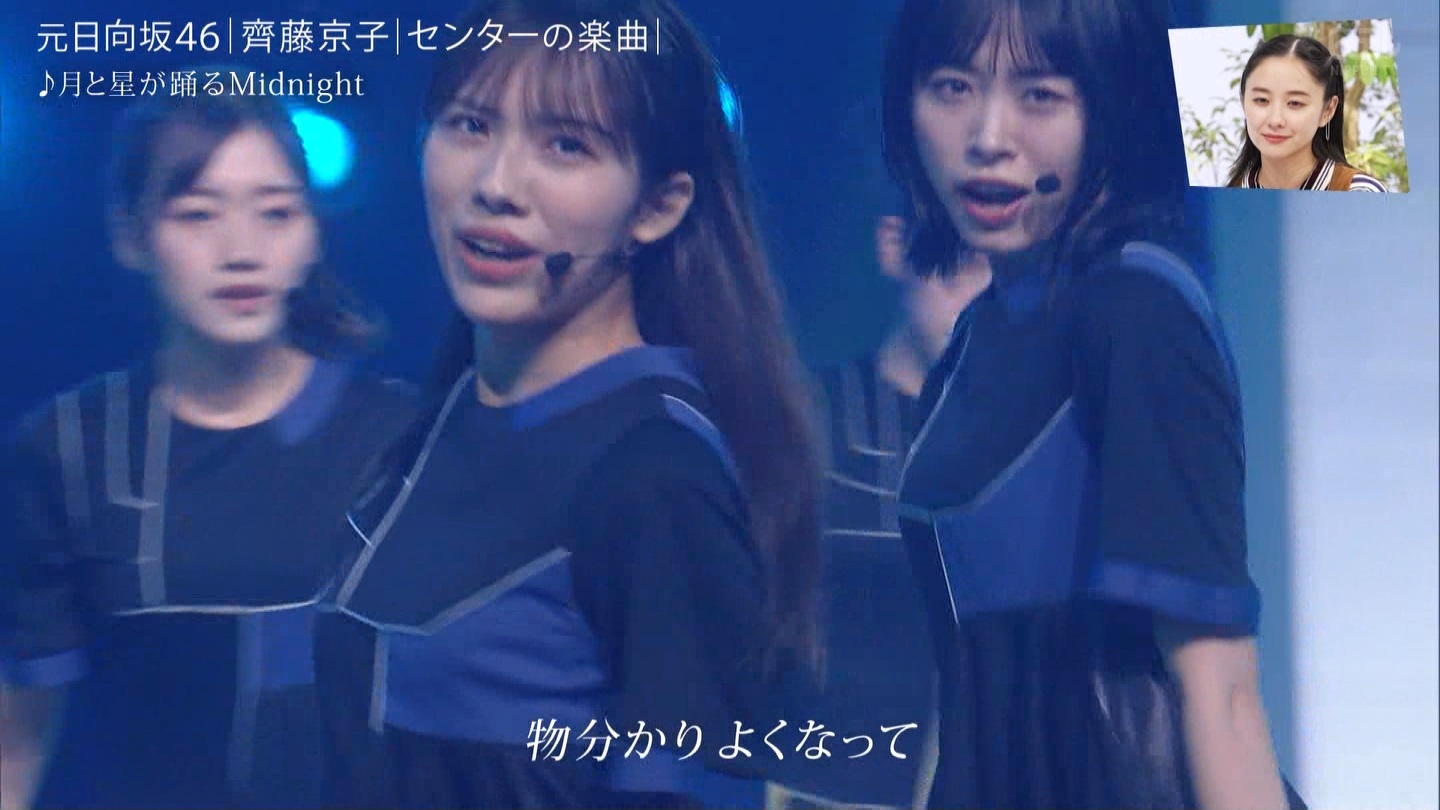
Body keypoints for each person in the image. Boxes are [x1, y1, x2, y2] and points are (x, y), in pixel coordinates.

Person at [311, 1, 824, 808]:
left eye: (566, 145)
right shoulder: (442, 420)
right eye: (471, 124)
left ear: (658, 206)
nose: (495, 185)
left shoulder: (656, 476)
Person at [879, 0, 1309, 807]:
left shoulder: (1137, 311)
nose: (988, 137)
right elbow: (958, 695)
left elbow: (1220, 690)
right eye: (951, 87)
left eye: (1040, 95)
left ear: (1109, 108)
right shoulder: (971, 342)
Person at [0, 88, 416, 810]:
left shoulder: (401, 439)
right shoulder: (66, 449)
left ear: (313, 234)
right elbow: (18, 739)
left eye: (275, 213)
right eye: (198, 215)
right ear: (131, 234)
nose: (241, 251)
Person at [767, 216, 988, 810]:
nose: (984, 295)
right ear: (895, 244)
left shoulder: (1045, 455)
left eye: (1010, 272)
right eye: (965, 261)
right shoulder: (799, 427)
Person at [1226, 34, 1387, 191]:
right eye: (1261, 100)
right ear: (1243, 101)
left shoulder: (1359, 192)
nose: (1275, 120)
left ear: (1328, 110)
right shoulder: (1225, 198)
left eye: (1295, 103)